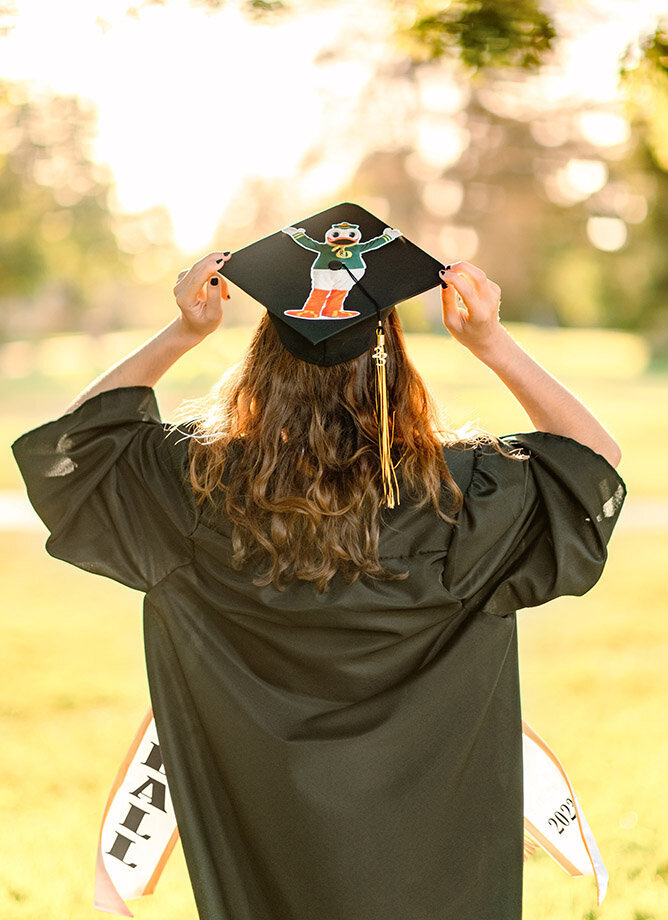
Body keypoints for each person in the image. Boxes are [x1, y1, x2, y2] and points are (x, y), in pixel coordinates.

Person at [13, 247, 626, 920]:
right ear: (391, 366)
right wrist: (490, 341)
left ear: (263, 362)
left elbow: (78, 444)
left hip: (270, 843)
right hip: (432, 855)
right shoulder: (462, 499)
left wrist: (183, 332)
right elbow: (594, 461)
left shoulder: (194, 495)